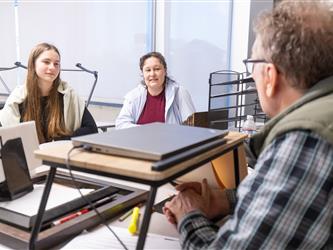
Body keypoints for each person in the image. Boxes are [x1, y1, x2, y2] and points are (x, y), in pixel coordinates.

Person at [163, 1, 333, 249]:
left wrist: (189, 215)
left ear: (270, 76)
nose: (251, 75)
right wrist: (227, 200)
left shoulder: (307, 138)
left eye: (252, 65)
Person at [0, 43, 98, 143]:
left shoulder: (69, 94)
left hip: (59, 154)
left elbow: (92, 130)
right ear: (33, 64)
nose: (52, 67)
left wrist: (63, 141)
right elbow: (7, 135)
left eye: (56, 64)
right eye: (46, 62)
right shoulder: (18, 98)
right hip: (29, 156)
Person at [115, 52, 195, 129]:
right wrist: (147, 130)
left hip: (172, 142)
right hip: (140, 142)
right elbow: (121, 124)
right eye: (148, 70)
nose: (152, 74)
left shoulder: (179, 93)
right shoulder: (134, 96)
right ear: (143, 73)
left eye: (157, 69)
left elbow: (192, 127)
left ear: (165, 71)